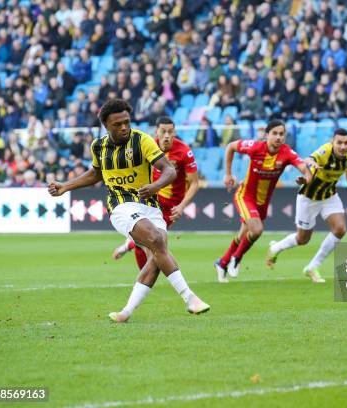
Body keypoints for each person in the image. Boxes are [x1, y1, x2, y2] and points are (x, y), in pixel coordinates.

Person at [48, 99, 209, 322]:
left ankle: (126, 312)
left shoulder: (141, 140)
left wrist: (155, 186)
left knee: (156, 256)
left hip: (151, 206)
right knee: (156, 240)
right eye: (118, 124)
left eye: (127, 122)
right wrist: (66, 186)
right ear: (106, 125)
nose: (124, 127)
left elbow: (169, 171)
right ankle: (190, 298)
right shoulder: (99, 146)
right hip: (121, 205)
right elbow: (96, 174)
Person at [214, 119, 312, 282]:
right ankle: (236, 258)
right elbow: (231, 146)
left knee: (243, 234)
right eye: (274, 133)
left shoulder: (287, 152)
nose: (278, 137)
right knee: (257, 230)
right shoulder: (255, 147)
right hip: (245, 196)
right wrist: (228, 174)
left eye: (281, 134)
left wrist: (306, 179)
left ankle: (222, 262)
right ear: (267, 135)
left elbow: (305, 169)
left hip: (263, 203)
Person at [266, 128, 347, 283]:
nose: (343, 146)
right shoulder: (324, 152)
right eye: (339, 143)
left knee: (340, 229)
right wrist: (312, 164)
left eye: (346, 143)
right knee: (302, 239)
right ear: (332, 142)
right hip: (309, 197)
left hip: (329, 195)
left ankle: (312, 266)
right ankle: (276, 248)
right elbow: (308, 160)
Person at [112, 116, 200, 270]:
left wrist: (181, 206)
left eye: (170, 132)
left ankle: (130, 246)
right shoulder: (148, 146)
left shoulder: (184, 152)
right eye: (163, 131)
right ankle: (143, 275)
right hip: (150, 200)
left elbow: (194, 183)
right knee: (145, 240)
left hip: (170, 206)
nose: (166, 135)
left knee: (152, 241)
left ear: (174, 133)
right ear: (157, 132)